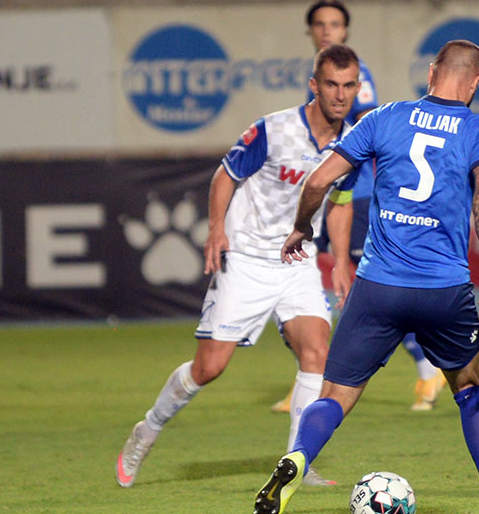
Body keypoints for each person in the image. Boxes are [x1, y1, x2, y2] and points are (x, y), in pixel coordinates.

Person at [253, 39, 479, 514]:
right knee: (469, 388)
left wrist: (301, 227)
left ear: (431, 72)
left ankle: (297, 456)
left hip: (378, 285)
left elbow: (318, 182)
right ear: (476, 82)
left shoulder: (383, 116)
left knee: (335, 393)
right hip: (443, 290)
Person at [115, 44, 363, 489]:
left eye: (348, 86)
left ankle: (296, 464)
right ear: (314, 85)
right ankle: (148, 429)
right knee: (209, 368)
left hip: (298, 261)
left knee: (318, 354)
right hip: (246, 258)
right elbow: (226, 175)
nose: (340, 94)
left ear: (357, 87)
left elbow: (341, 200)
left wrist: (340, 259)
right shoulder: (273, 129)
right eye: (331, 84)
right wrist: (216, 229)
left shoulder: (355, 142)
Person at [270, 0, 446, 415]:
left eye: (335, 24)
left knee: (366, 287)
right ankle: (309, 377)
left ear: (346, 31)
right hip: (334, 193)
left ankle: (426, 366)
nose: (327, 30)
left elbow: (366, 129)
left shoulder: (353, 75)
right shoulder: (323, 76)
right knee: (322, 282)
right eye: (320, 24)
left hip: (359, 194)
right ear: (310, 31)